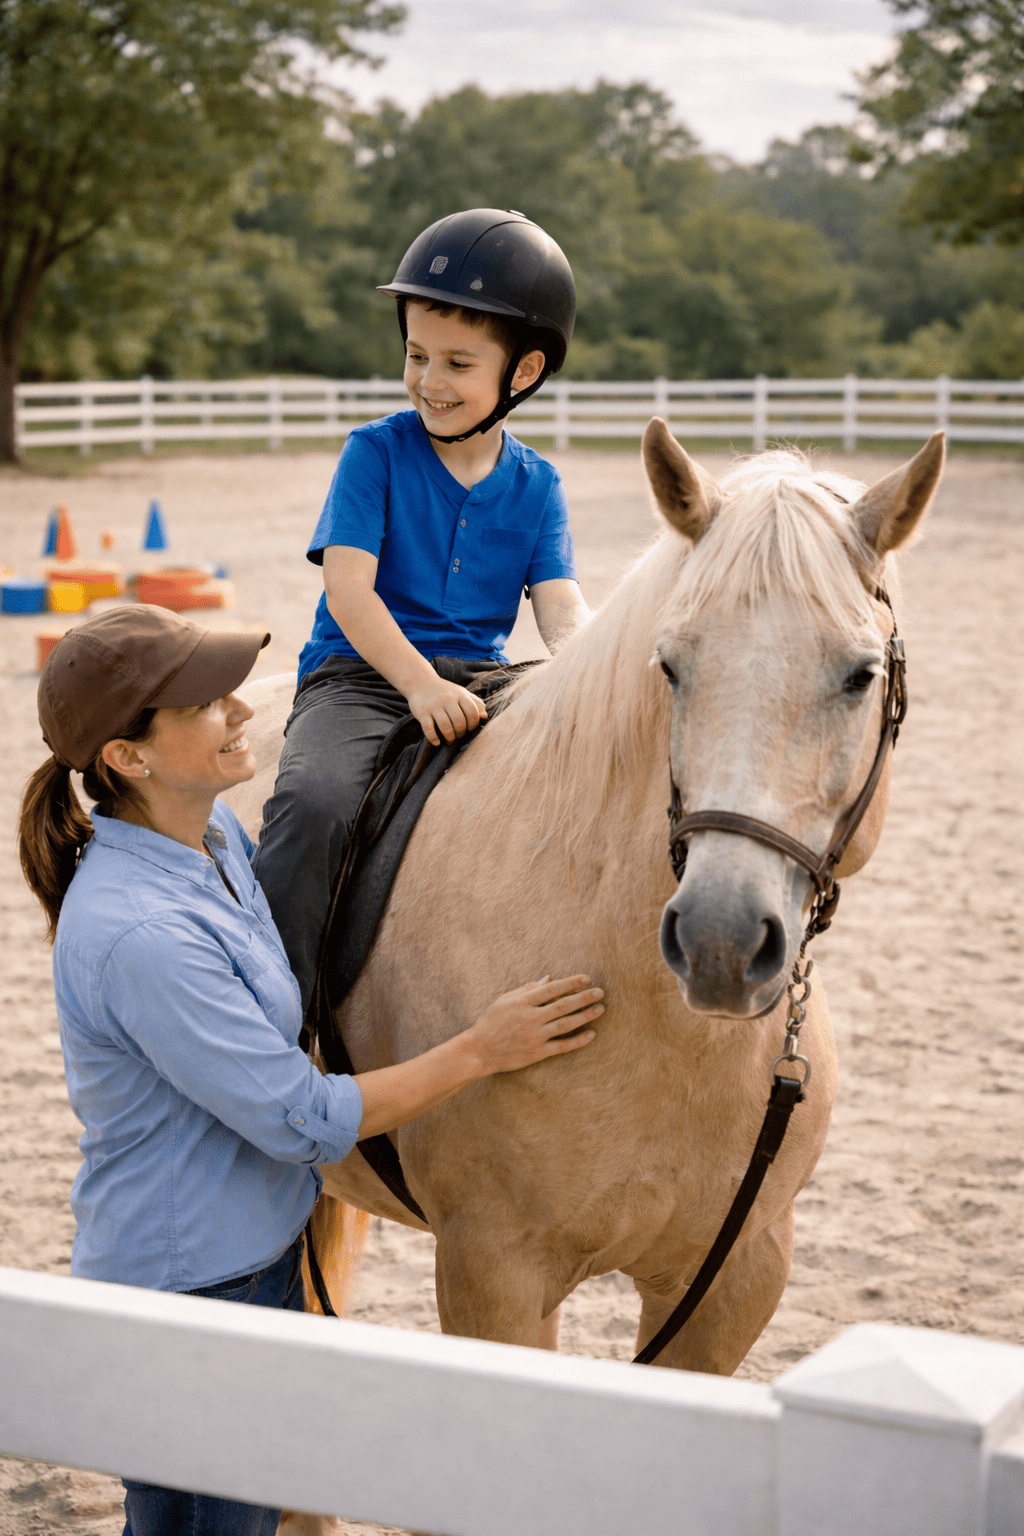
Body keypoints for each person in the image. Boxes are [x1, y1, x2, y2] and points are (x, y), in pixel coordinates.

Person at [18, 604, 604, 1536]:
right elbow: (299, 1117)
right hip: (192, 1290)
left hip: (259, 1256)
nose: (243, 711)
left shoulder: (214, 845)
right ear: (128, 759)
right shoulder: (142, 934)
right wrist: (480, 1050)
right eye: (206, 703)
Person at [252, 207, 591, 1014]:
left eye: (457, 363)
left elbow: (560, 609)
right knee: (314, 801)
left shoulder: (538, 485)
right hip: (362, 675)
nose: (429, 381)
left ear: (523, 370)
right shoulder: (375, 451)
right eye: (416, 355)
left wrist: (594, 669)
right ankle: (271, 1008)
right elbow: (349, 592)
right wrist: (418, 686)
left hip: (483, 680)